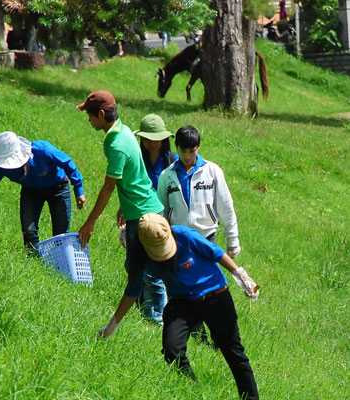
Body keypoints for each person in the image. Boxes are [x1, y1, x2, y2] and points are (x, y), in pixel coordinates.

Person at [99, 213, 260, 400]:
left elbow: (216, 253)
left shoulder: (185, 235)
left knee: (233, 352)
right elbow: (133, 290)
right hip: (182, 302)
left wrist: (242, 276)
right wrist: (111, 326)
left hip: (215, 295)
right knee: (171, 350)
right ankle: (193, 391)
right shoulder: (139, 254)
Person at [76, 91, 165, 325]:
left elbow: (107, 188)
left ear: (102, 114)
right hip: (141, 208)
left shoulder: (117, 145)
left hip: (145, 216)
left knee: (149, 273)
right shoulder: (122, 131)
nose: (89, 120)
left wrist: (90, 222)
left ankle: (157, 321)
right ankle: (141, 314)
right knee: (134, 268)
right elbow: (133, 176)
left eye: (90, 115)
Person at [0, 131, 86, 253]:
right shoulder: (1, 167)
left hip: (58, 188)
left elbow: (67, 163)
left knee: (60, 234)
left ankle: (60, 264)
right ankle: (34, 260)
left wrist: (78, 189)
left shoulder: (43, 150)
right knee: (28, 231)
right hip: (31, 191)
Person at [116, 113, 175, 324]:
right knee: (132, 265)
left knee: (154, 270)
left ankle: (158, 317)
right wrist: (122, 208)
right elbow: (129, 185)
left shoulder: (172, 161)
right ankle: (143, 306)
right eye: (148, 138)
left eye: (156, 138)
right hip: (136, 215)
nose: (152, 143)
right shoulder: (136, 158)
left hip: (162, 220)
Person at [157, 125, 241, 258]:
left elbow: (225, 205)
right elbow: (162, 211)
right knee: (181, 278)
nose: (187, 156)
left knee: (207, 278)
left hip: (206, 237)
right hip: (178, 239)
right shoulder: (166, 176)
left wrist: (233, 239)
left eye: (192, 151)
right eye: (183, 151)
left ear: (199, 147)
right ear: (176, 146)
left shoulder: (212, 171)